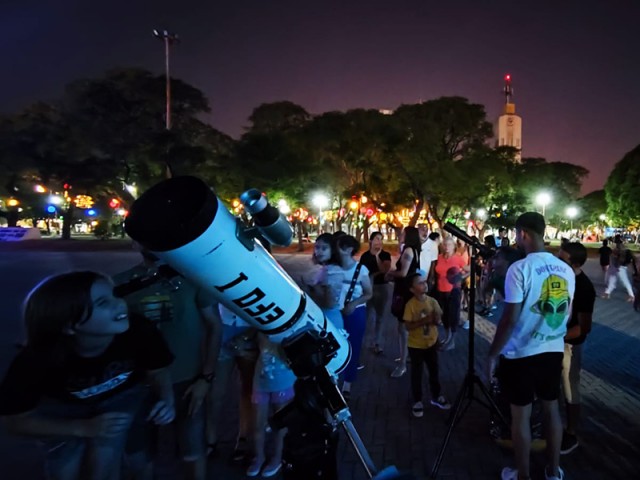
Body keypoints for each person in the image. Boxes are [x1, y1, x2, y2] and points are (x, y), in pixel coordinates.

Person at [0, 271, 175, 480]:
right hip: (63, 408)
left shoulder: (140, 330)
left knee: (112, 458)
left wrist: (167, 399)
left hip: (124, 397)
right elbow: (15, 422)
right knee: (63, 471)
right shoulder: (36, 360)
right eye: (103, 303)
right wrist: (81, 428)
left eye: (115, 295)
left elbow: (158, 370)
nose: (120, 304)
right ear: (69, 325)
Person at [114, 250, 219, 480]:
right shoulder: (120, 283)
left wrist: (206, 378)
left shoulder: (193, 278)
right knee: (139, 454)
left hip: (187, 380)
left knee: (193, 449)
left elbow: (214, 326)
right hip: (137, 383)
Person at [487, 212, 575, 480]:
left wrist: (493, 353)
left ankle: (523, 475)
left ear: (523, 233)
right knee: (551, 410)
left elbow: (509, 319)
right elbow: (566, 313)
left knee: (521, 416)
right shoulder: (565, 269)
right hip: (552, 349)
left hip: (522, 354)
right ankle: (553, 470)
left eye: (516, 234)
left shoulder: (520, 268)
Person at [206, 303, 258, 464]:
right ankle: (210, 438)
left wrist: (248, 335)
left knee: (248, 389)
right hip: (224, 323)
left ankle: (243, 438)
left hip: (250, 325)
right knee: (216, 391)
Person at [557, 242, 596, 455]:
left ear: (576, 264)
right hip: (554, 342)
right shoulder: (560, 278)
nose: (557, 262)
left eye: (562, 260)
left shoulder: (584, 288)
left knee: (570, 389)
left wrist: (557, 337)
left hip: (569, 345)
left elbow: (584, 327)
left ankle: (571, 433)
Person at [329, 234, 373, 400]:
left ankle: (348, 382)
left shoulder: (361, 270)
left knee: (353, 346)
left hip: (355, 313)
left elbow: (369, 293)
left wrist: (353, 304)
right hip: (335, 312)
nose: (335, 250)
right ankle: (335, 379)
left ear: (348, 250)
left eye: (338, 246)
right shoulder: (333, 267)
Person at [246, 334, 296, 478]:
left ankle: (277, 457)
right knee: (258, 422)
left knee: (281, 423)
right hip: (261, 380)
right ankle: (259, 456)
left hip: (283, 380)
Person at [403, 272, 451, 417]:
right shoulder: (410, 305)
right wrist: (425, 320)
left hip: (431, 343)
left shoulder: (432, 301)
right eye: (420, 283)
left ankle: (436, 396)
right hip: (415, 345)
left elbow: (438, 320)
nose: (424, 284)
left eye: (424, 281)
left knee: (434, 370)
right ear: (412, 289)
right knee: (416, 373)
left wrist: (436, 319)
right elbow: (408, 326)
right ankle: (417, 400)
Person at [385, 226, 422, 378]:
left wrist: (390, 273)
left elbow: (403, 273)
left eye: (403, 233)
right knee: (405, 327)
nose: (401, 234)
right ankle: (405, 356)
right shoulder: (414, 250)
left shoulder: (408, 251)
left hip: (405, 291)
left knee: (403, 327)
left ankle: (402, 363)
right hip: (408, 289)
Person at [358, 231, 392, 354]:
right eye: (377, 239)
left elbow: (384, 270)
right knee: (367, 316)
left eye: (381, 239)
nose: (379, 241)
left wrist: (377, 256)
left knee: (380, 317)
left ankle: (378, 343)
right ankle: (365, 342)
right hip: (367, 289)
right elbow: (361, 273)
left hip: (381, 288)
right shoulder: (365, 256)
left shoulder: (385, 255)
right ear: (371, 241)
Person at [302, 232, 344, 329]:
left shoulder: (334, 272)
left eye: (324, 248)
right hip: (320, 317)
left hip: (330, 319)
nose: (319, 251)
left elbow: (330, 303)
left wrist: (313, 289)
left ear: (333, 250)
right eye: (317, 247)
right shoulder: (325, 268)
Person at [433, 236, 469, 350]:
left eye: (449, 244)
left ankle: (452, 341)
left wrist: (460, 277)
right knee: (444, 315)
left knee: (453, 315)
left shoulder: (458, 258)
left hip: (453, 290)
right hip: (440, 289)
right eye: (445, 244)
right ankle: (447, 337)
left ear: (454, 246)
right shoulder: (439, 257)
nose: (447, 247)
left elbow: (469, 270)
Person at [602, 235, 636, 303]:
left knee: (624, 281)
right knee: (613, 280)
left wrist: (616, 263)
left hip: (619, 267)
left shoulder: (619, 248)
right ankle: (607, 293)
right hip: (618, 267)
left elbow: (620, 259)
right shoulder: (622, 248)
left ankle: (632, 296)